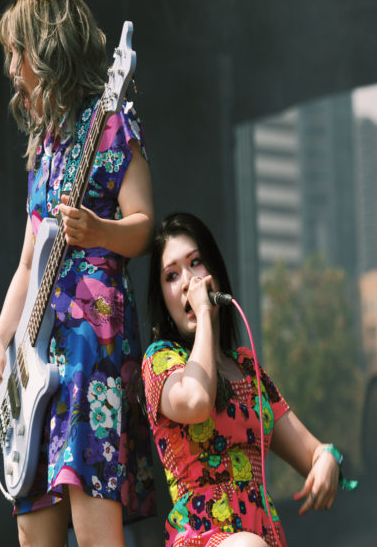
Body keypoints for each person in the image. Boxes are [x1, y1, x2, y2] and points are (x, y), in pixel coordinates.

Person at [0, 0, 155, 547]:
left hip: (90, 345)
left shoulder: (112, 125)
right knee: (33, 522)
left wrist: (100, 231)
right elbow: (26, 265)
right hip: (37, 351)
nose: (11, 69)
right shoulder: (45, 149)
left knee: (90, 507)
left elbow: (144, 227)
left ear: (48, 50)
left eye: (17, 53)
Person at [142, 212, 349, 547]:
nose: (188, 282)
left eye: (196, 263)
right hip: (202, 538)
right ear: (163, 297)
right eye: (172, 275)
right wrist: (204, 312)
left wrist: (328, 458)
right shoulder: (160, 361)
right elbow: (196, 400)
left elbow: (313, 451)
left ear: (216, 272)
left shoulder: (247, 367)